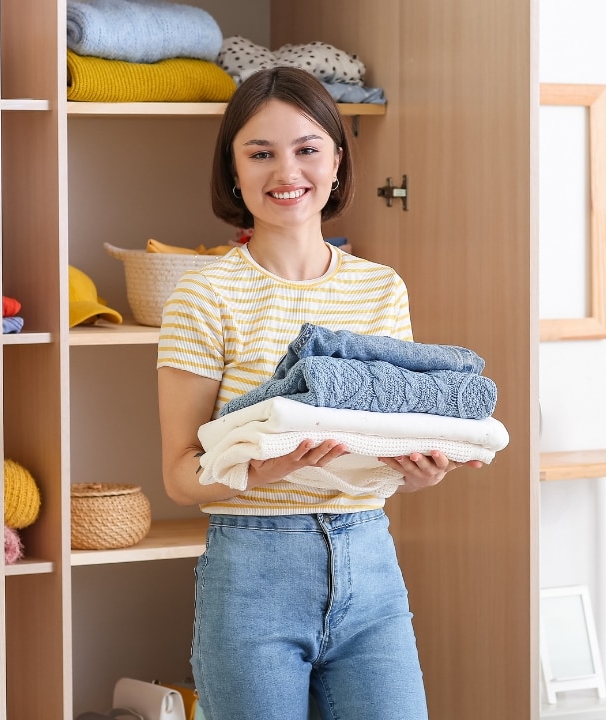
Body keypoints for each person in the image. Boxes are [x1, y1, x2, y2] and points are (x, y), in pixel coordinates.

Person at [156, 66, 482, 720]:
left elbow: (386, 442)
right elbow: (180, 475)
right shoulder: (203, 295)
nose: (287, 172)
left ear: (337, 160)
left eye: (307, 149)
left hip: (371, 565)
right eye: (261, 153)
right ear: (232, 170)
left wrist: (418, 474)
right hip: (253, 577)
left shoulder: (381, 290)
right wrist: (255, 470)